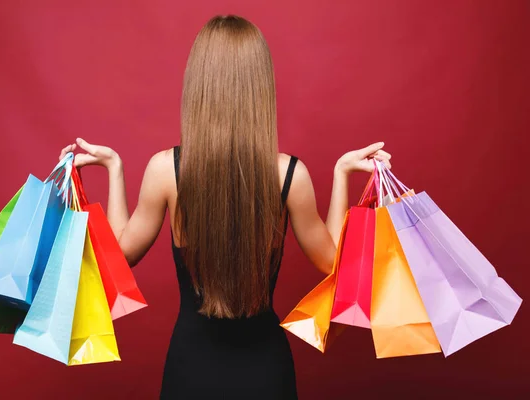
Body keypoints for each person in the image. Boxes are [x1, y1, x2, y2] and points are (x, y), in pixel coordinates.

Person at [59, 14, 391, 400]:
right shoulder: (290, 175)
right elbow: (333, 262)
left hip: (190, 370)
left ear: (198, 85)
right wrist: (341, 175)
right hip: (267, 373)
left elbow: (117, 258)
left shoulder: (166, 169)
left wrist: (114, 170)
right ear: (260, 88)